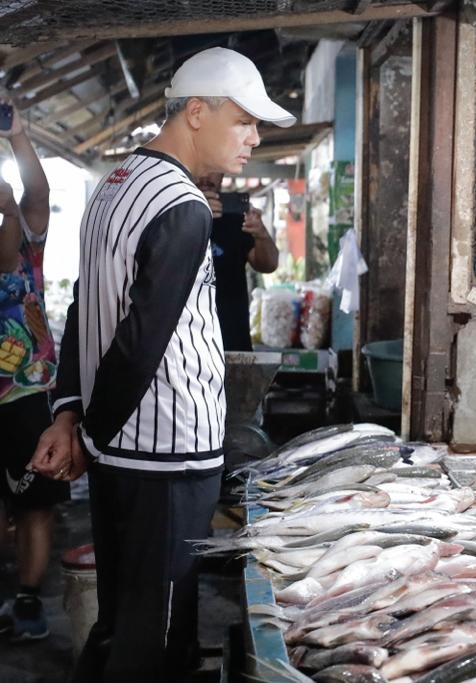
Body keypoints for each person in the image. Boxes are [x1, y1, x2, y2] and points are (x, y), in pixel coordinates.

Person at [28, 47, 295, 681]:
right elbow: (141, 341)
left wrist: (71, 416)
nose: (254, 139)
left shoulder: (113, 186)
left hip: (125, 454)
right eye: (245, 122)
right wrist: (88, 435)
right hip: (167, 457)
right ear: (196, 112)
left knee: (124, 622)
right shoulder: (183, 208)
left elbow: (85, 314)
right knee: (157, 642)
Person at [0, 97, 69, 642]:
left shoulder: (27, 246)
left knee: (34, 505)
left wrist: (19, 136)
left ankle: (27, 599)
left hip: (26, 394)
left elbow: (37, 192)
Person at [195, 173, 278, 351]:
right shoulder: (170, 214)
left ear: (222, 175)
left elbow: (268, 264)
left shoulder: (236, 218)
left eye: (213, 170)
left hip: (232, 341)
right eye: (202, 168)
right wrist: (192, 214)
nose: (205, 177)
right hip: (186, 341)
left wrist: (261, 235)